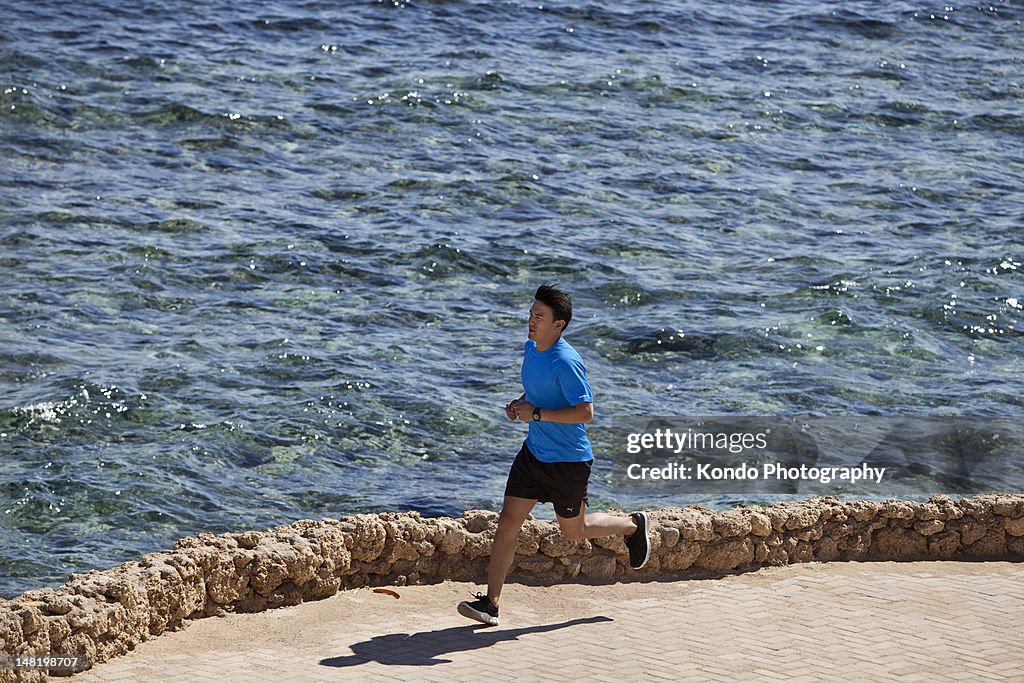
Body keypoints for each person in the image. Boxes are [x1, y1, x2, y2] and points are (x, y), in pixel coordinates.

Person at [458, 284, 652, 626]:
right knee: (507, 524)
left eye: (539, 316)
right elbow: (537, 392)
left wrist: (535, 414)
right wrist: (521, 404)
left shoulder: (567, 361)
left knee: (574, 531)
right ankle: (491, 604)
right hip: (534, 454)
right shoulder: (532, 348)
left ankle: (632, 526)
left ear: (558, 325)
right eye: (530, 314)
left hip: (568, 462)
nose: (530, 321)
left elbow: (586, 412)